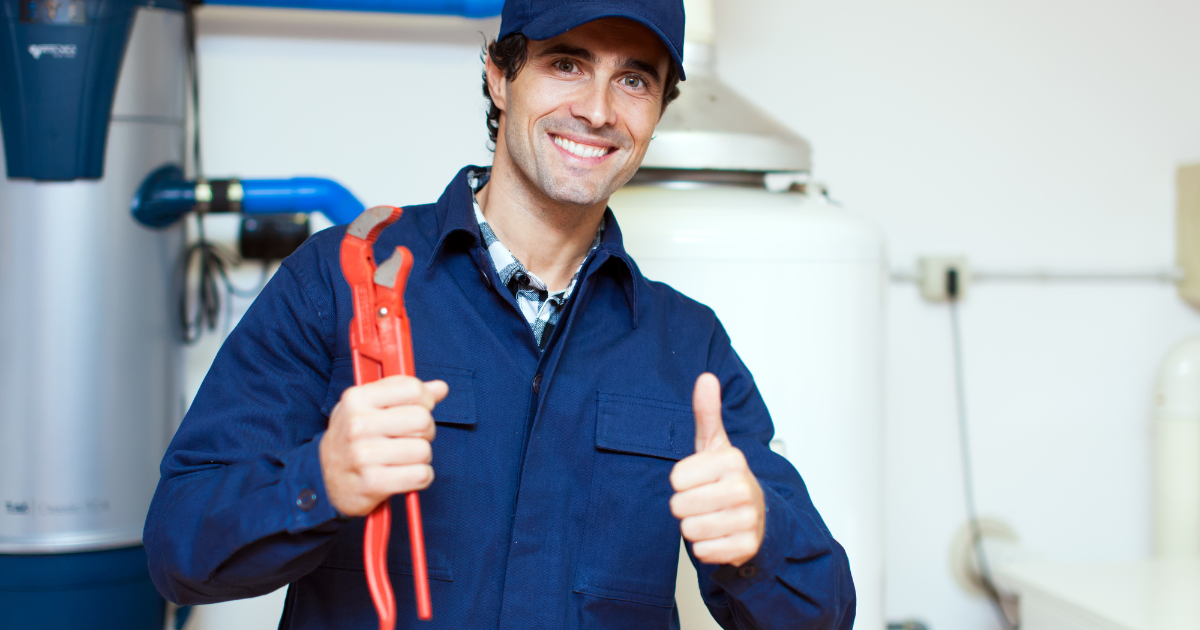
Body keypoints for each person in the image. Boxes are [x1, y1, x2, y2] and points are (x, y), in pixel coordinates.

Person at [143, 0, 856, 627]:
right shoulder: (338, 283)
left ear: (661, 107)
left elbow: (824, 614)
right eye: (567, 63)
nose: (600, 110)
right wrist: (318, 481)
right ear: (499, 74)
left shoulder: (688, 346)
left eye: (634, 78)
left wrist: (758, 538)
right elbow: (178, 550)